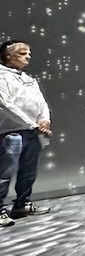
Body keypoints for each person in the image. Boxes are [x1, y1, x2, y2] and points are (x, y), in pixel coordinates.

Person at [0, 39, 52, 226]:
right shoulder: (1, 77)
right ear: (7, 56)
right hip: (11, 132)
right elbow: (5, 104)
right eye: (22, 53)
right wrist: (32, 123)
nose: (28, 56)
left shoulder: (29, 79)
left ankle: (22, 203)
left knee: (28, 172)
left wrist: (44, 119)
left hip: (31, 132)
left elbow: (42, 102)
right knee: (4, 172)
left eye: (28, 53)